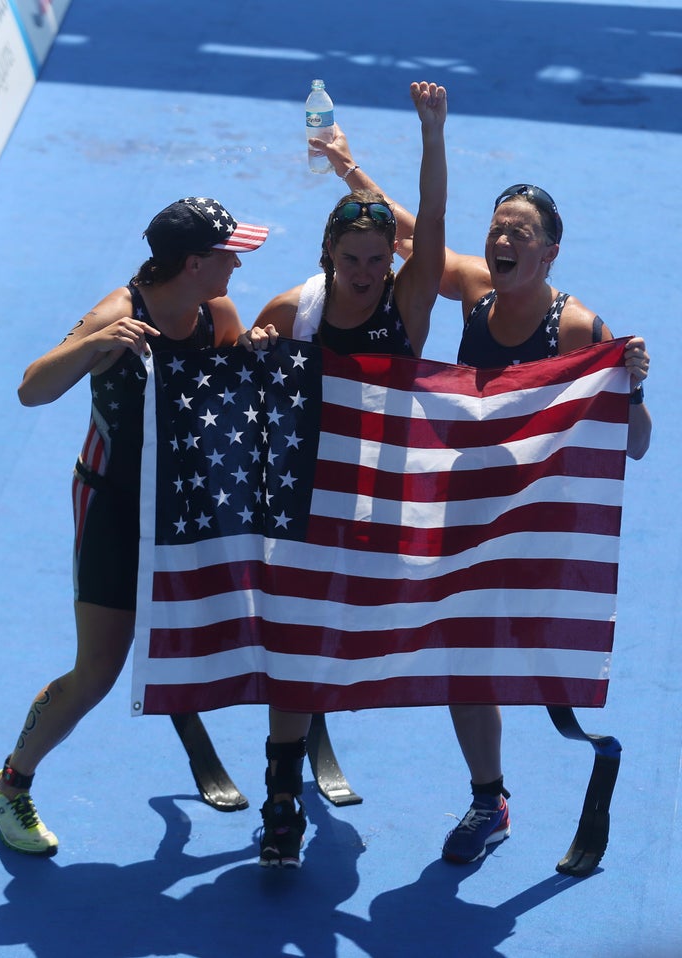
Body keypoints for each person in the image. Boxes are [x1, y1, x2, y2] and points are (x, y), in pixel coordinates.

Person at [313, 129, 652, 864]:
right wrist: (346, 165)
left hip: (530, 522)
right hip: (462, 507)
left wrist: (634, 385)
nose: (502, 239)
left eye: (519, 232)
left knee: (521, 657)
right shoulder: (473, 288)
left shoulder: (577, 329)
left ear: (549, 253)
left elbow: (635, 443)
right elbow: (402, 231)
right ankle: (487, 799)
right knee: (464, 663)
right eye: (497, 226)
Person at [0, 196, 270, 856]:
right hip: (113, 510)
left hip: (187, 508)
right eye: (231, 253)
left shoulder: (215, 312)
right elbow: (31, 389)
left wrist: (252, 351)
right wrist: (94, 344)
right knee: (98, 670)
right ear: (195, 262)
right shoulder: (121, 313)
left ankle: (281, 778)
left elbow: (234, 402)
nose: (238, 263)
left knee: (247, 631)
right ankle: (10, 784)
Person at [247, 80, 448, 868]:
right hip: (302, 504)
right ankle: (280, 799)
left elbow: (430, 224)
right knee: (296, 650)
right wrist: (257, 353)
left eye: (377, 258)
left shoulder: (413, 298)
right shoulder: (292, 308)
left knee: (349, 645)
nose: (366, 272)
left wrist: (432, 134)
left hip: (382, 509)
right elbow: (239, 377)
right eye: (351, 258)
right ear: (327, 254)